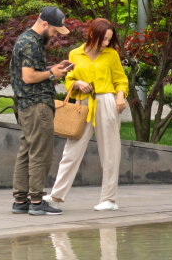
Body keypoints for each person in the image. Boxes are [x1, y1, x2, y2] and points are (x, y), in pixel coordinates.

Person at [45, 18, 129, 211]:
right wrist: (77, 84)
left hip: (107, 102)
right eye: (103, 39)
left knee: (110, 152)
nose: (106, 43)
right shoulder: (75, 54)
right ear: (92, 34)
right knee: (71, 151)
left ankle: (109, 199)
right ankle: (57, 196)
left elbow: (120, 80)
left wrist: (120, 97)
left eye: (109, 39)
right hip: (82, 105)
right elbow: (69, 80)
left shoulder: (111, 55)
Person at [10, 5, 72, 216]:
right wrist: (53, 74)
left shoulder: (27, 40)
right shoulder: (31, 43)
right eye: (55, 30)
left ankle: (20, 201)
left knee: (27, 150)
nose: (55, 35)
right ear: (44, 24)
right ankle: (36, 201)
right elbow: (29, 77)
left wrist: (52, 69)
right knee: (40, 153)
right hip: (36, 105)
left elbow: (33, 72)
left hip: (26, 104)